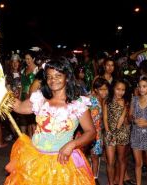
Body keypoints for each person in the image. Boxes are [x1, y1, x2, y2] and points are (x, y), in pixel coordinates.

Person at [5, 57, 96, 185]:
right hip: (35, 161)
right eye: (49, 76)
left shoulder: (78, 104)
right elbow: (19, 107)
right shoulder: (40, 99)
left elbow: (91, 132)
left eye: (58, 76)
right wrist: (0, 92)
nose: (53, 80)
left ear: (67, 77)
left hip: (63, 163)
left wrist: (72, 145)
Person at [103, 79, 131, 185]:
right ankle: (111, 183)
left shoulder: (125, 102)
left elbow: (121, 120)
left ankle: (120, 182)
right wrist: (109, 132)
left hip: (122, 132)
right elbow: (105, 118)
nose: (120, 92)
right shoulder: (107, 101)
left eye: (123, 90)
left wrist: (114, 133)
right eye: (118, 89)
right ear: (113, 89)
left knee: (121, 159)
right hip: (109, 132)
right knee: (110, 161)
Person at [88, 77, 109, 184]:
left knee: (95, 156)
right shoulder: (90, 100)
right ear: (96, 89)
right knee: (88, 156)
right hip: (88, 132)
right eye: (102, 89)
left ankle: (94, 178)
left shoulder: (105, 100)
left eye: (106, 89)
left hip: (98, 132)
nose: (104, 92)